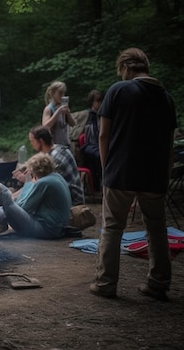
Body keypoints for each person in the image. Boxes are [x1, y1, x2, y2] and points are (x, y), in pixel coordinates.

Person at [90, 47, 177, 301]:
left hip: (121, 171)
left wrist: (107, 171)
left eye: (122, 71)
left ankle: (106, 284)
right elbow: (169, 144)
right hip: (154, 175)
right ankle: (159, 283)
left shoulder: (118, 90)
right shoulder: (166, 97)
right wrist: (166, 176)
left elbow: (104, 135)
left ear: (127, 67)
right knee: (157, 229)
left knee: (112, 228)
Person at [0, 153, 71, 240]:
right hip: (56, 229)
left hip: (45, 230)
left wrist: (28, 183)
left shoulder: (44, 183)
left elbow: (25, 208)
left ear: (33, 171)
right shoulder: (56, 177)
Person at [20, 125, 84, 206]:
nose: (31, 144)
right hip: (70, 195)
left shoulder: (54, 160)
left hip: (72, 202)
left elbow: (44, 186)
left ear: (41, 141)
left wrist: (27, 180)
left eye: (32, 141)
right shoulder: (59, 149)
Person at [80, 90, 103, 189]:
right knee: (98, 155)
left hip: (99, 144)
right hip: (89, 145)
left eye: (101, 101)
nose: (100, 103)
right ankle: (96, 185)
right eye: (98, 101)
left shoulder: (103, 115)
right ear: (92, 102)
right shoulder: (87, 115)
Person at [41, 81, 75, 147]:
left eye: (64, 93)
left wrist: (67, 113)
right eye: (60, 93)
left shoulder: (64, 108)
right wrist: (57, 112)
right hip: (54, 146)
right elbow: (45, 126)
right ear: (52, 94)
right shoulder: (49, 109)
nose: (62, 96)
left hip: (66, 143)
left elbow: (73, 124)